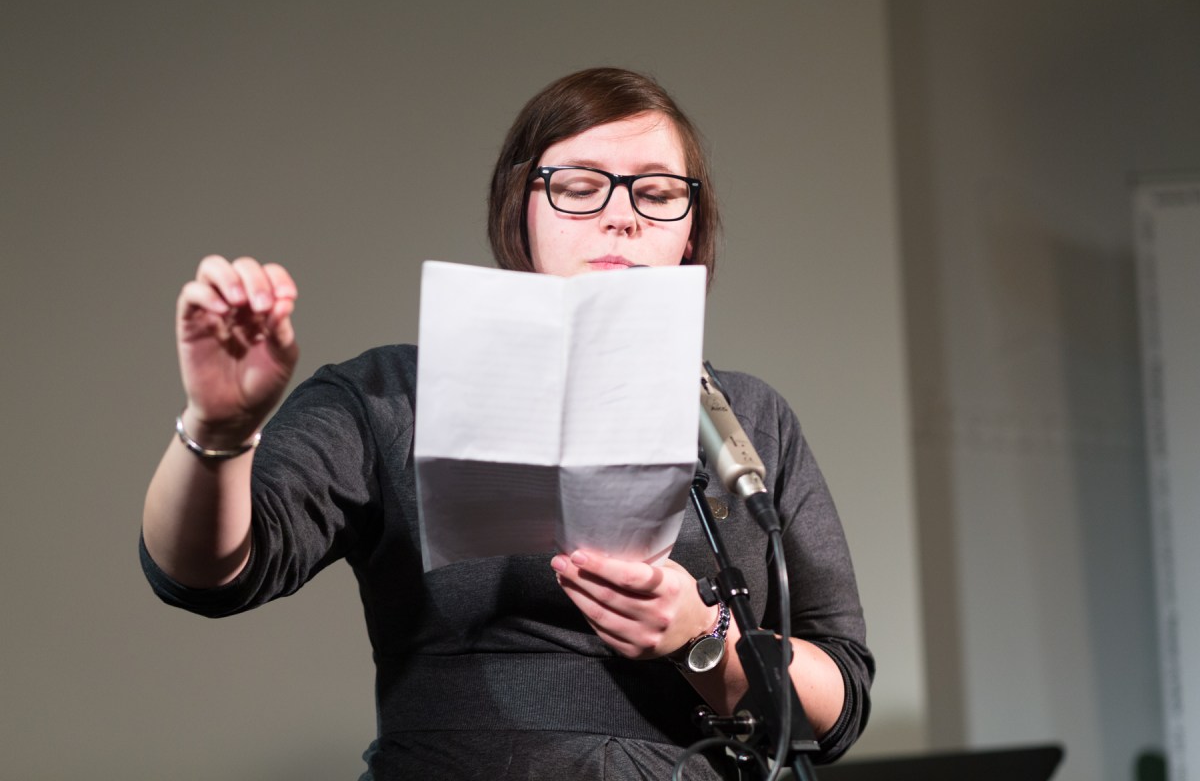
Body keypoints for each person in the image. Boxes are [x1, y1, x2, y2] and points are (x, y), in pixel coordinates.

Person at [141, 67, 873, 780]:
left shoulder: (748, 418)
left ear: (690, 232)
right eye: (580, 188)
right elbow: (209, 573)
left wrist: (700, 636)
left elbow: (840, 699)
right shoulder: (390, 395)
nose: (622, 216)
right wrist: (219, 430)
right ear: (521, 210)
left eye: (656, 194)